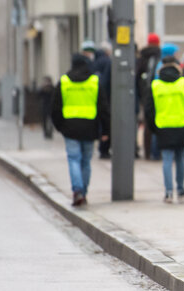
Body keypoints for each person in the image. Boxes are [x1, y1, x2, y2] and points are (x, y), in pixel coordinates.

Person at [52, 54, 110, 206]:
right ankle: (83, 192)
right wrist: (105, 130)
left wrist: (60, 127)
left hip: (70, 128)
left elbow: (55, 108)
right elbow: (103, 108)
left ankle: (77, 190)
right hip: (90, 128)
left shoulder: (64, 81)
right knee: (85, 162)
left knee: (73, 159)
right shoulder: (94, 81)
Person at [146, 57, 184, 203]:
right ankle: (180, 187)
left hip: (163, 126)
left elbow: (149, 110)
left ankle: (168, 191)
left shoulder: (155, 85)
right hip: (181, 125)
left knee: (166, 159)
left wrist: (153, 128)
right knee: (180, 158)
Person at [137, 34, 162, 160]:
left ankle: (147, 152)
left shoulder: (142, 57)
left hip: (145, 94)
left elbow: (137, 76)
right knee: (158, 121)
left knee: (147, 122)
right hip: (159, 92)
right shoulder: (159, 55)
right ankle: (157, 152)